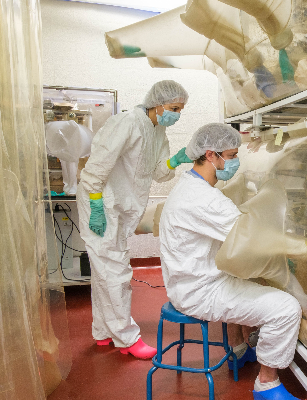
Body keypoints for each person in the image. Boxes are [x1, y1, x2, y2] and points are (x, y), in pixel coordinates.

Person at [159, 123, 301, 399]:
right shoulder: (205, 199)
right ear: (211, 155)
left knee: (246, 276)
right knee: (287, 308)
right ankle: (267, 384)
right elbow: (251, 239)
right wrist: (300, 246)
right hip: (201, 292)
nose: (235, 162)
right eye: (232, 155)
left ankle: (240, 349)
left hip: (186, 281)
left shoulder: (188, 185)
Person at [77, 80, 192, 359]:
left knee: (105, 271)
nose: (177, 115)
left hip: (118, 207)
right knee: (116, 273)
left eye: (180, 110)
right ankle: (126, 338)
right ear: (158, 103)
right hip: (101, 203)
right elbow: (97, 165)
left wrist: (177, 159)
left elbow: (158, 172)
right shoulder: (126, 122)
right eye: (175, 108)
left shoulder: (158, 130)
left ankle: (103, 332)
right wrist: (94, 205)